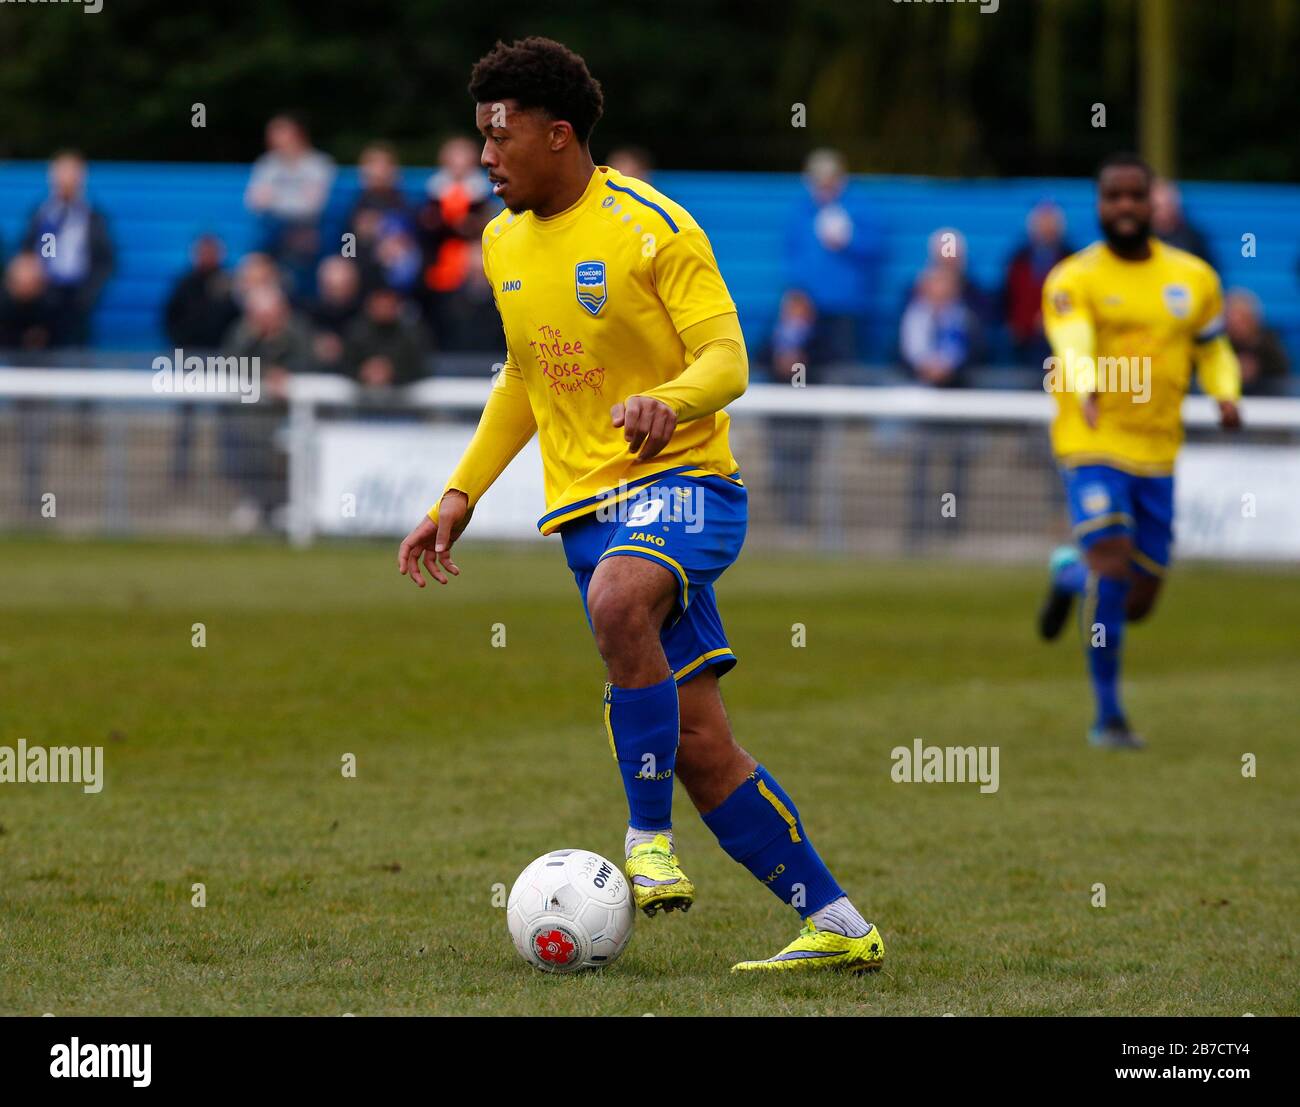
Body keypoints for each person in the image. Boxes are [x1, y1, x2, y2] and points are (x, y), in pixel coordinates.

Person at [396, 37, 884, 975]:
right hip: (587, 513)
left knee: (619, 599)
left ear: (560, 135)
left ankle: (647, 840)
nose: (483, 159)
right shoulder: (501, 241)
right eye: (479, 139)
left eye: (500, 141)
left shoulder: (654, 227)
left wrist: (674, 400)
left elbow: (728, 360)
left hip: (688, 487)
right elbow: (524, 385)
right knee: (701, 745)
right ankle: (835, 920)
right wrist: (458, 493)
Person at [1036, 153, 1242, 750]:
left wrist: (1226, 394)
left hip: (1158, 450)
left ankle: (1067, 577)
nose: (1125, 207)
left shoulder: (1194, 279)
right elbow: (1070, 339)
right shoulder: (1074, 278)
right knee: (1113, 558)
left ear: (1154, 203)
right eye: (1113, 197)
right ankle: (1109, 716)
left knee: (1139, 597)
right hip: (1092, 437)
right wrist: (1086, 380)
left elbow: (1214, 348)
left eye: (1135, 196)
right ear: (1099, 205)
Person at [782, 148, 882, 364]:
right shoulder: (801, 210)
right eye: (818, 181)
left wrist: (848, 241)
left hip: (845, 306)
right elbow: (793, 252)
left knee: (841, 367)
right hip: (807, 305)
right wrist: (798, 290)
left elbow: (875, 249)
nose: (824, 186)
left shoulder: (859, 207)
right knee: (798, 362)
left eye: (829, 180)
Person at [21, 150, 115, 347]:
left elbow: (106, 260)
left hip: (78, 295)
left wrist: (89, 294)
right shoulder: (41, 214)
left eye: (72, 173)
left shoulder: (93, 217)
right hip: (43, 296)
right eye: (61, 173)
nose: (66, 180)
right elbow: (27, 253)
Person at [244, 114, 336, 297]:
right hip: (271, 235)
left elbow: (312, 207)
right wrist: (294, 201)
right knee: (252, 270)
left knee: (300, 259)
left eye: (279, 135)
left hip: (306, 236)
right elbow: (254, 203)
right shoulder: (267, 164)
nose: (273, 141)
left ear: (298, 135)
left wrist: (275, 199)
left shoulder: (318, 165)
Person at [1002, 200, 1072, 366]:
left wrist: (1051, 318)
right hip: (1023, 341)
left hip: (1061, 336)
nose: (1046, 228)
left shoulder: (1071, 260)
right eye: (1041, 223)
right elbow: (1006, 299)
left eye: (1050, 223)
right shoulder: (1017, 260)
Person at [1224, 288, 1290, 396]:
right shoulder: (1219, 343)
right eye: (1232, 321)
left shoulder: (1268, 341)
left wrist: (1258, 369)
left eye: (1242, 320)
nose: (1237, 326)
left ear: (1253, 319)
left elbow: (1283, 375)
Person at [1151, 178, 1214, 267]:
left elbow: (1208, 268)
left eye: (1168, 204)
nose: (1163, 211)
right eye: (1159, 206)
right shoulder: (1142, 237)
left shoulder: (1193, 237)